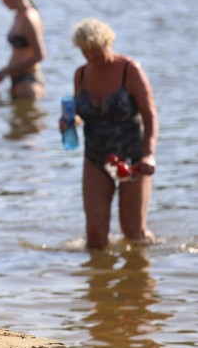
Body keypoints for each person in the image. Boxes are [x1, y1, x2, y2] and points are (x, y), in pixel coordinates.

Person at [62, 18, 158, 250]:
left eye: (96, 49)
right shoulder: (81, 75)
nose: (91, 56)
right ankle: (97, 282)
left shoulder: (129, 70)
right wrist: (71, 122)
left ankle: (141, 278)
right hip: (96, 157)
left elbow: (150, 115)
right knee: (95, 234)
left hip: (132, 158)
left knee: (133, 231)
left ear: (108, 42)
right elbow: (82, 113)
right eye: (85, 52)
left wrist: (148, 155)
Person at [0, 0, 45, 99]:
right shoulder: (18, 15)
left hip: (28, 81)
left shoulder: (29, 18)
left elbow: (39, 55)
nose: (2, 1)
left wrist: (6, 71)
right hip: (16, 78)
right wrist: (8, 71)